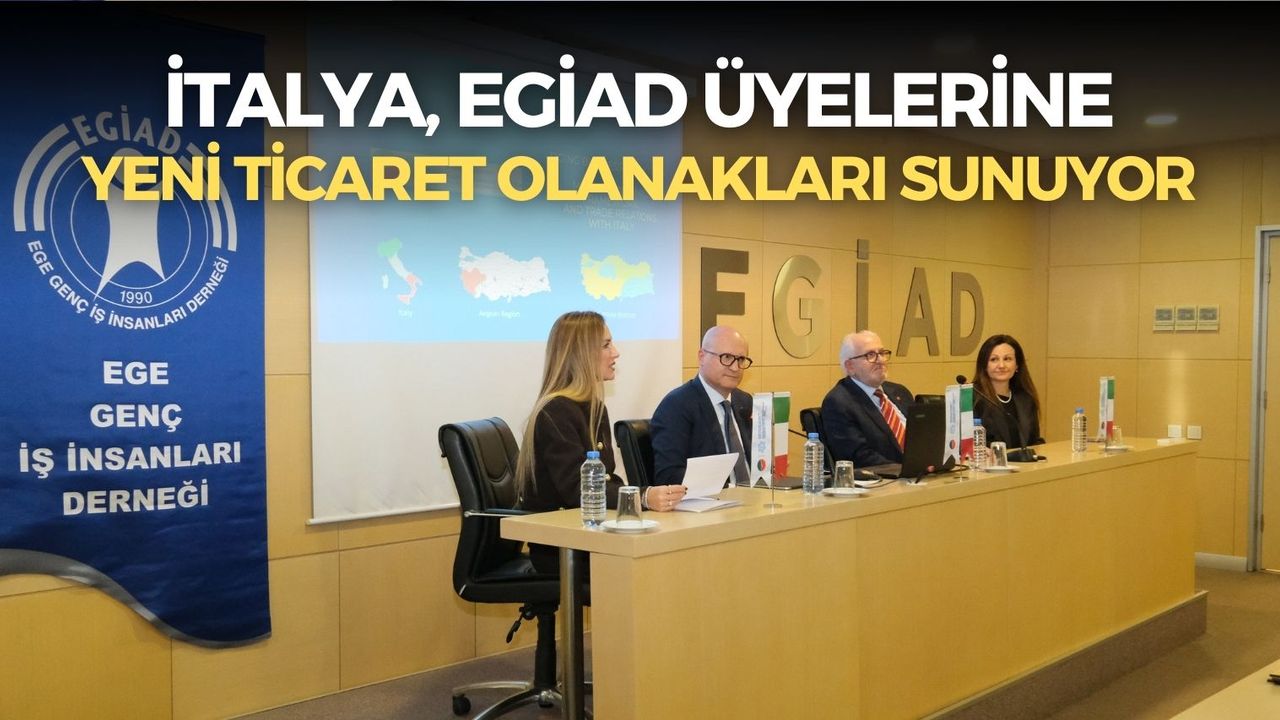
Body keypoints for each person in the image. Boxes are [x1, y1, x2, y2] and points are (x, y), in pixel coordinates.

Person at [516, 311, 626, 572]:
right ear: (581, 354)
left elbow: (606, 478)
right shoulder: (555, 412)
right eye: (606, 345)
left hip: (588, 537)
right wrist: (641, 497)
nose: (616, 353)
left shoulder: (594, 408)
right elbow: (579, 491)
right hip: (561, 549)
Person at [650, 326, 753, 494]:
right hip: (710, 503)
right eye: (726, 357)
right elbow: (668, 477)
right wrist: (729, 488)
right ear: (702, 357)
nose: (735, 367)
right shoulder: (676, 406)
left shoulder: (745, 402)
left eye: (741, 359)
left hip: (754, 499)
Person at [820, 330, 914, 467]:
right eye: (870, 355)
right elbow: (858, 458)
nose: (881, 360)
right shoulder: (838, 403)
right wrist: (907, 469)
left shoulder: (900, 392)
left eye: (882, 353)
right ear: (850, 366)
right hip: (887, 477)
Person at [971, 333, 1044, 450]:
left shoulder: (1026, 398)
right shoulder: (973, 398)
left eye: (1007, 359)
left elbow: (1034, 440)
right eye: (994, 359)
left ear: (1017, 365)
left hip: (1024, 461)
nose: (1001, 365)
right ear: (984, 365)